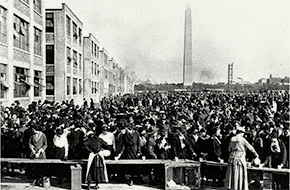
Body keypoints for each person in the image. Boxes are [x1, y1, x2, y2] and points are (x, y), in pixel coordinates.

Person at [224, 125, 259, 190]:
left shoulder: (232, 139)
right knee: (240, 173)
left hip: (232, 157)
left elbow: (229, 149)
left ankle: (232, 187)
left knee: (232, 174)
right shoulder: (242, 139)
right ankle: (239, 187)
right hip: (240, 157)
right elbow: (250, 147)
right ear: (241, 133)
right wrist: (256, 154)